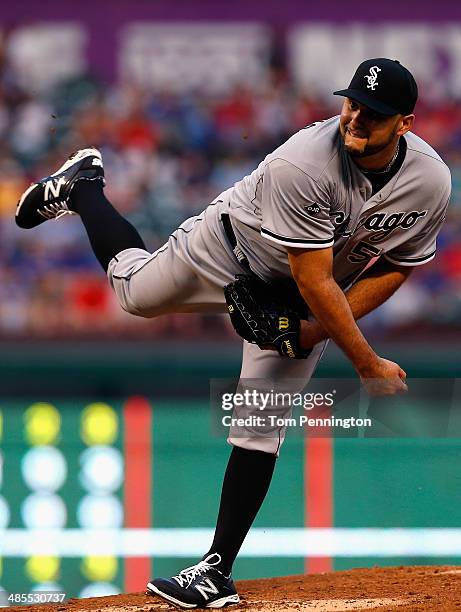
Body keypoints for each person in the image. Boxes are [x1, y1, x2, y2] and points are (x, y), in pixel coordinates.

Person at [15, 58, 451, 609]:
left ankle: (215, 569)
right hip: (229, 249)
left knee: (259, 425)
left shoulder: (429, 182)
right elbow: (313, 278)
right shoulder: (308, 162)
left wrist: (309, 333)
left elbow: (398, 265)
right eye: (353, 103)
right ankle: (83, 188)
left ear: (405, 124)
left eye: (376, 113)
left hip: (304, 288)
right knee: (133, 295)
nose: (358, 118)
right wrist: (363, 360)